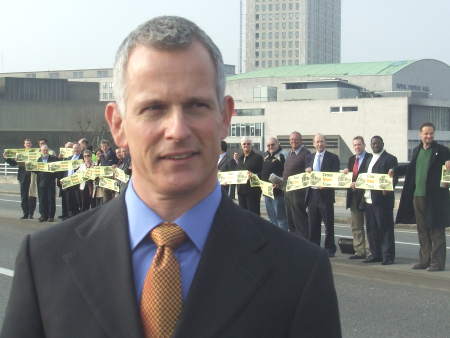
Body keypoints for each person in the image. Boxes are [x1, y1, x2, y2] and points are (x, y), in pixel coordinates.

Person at [2, 16, 341, 338]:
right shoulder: (43, 260)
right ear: (117, 124)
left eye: (196, 106)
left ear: (225, 117)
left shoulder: (299, 271)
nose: (177, 130)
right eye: (154, 108)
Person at [391, 122, 450, 271]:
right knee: (422, 230)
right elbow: (411, 168)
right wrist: (395, 170)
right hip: (417, 196)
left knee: (436, 230)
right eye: (426, 133)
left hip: (435, 198)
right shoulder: (417, 150)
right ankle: (424, 260)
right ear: (420, 135)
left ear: (434, 134)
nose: (428, 136)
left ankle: (437, 263)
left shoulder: (442, 151)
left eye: (431, 133)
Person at [363, 136, 398, 265]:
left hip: (383, 201)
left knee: (385, 229)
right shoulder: (368, 159)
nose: (375, 145)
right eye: (373, 143)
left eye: (377, 143)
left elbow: (394, 178)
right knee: (371, 229)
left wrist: (389, 188)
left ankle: (387, 256)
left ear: (382, 143)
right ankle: (375, 254)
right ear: (370, 145)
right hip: (368, 199)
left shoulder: (390, 159)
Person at [305, 134, 340, 257]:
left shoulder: (333, 157)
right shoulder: (309, 157)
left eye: (322, 141)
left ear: (325, 143)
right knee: (313, 224)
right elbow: (305, 175)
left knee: (328, 225)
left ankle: (330, 249)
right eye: (317, 142)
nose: (319, 144)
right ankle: (314, 248)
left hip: (326, 195)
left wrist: (326, 185)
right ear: (313, 144)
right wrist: (307, 171)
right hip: (312, 195)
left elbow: (335, 176)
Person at [344, 136, 373, 259]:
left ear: (364, 145)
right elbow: (350, 177)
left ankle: (371, 251)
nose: (357, 147)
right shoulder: (351, 159)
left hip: (366, 196)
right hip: (354, 197)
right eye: (355, 145)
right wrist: (345, 174)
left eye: (359, 144)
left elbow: (370, 176)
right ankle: (359, 251)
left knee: (370, 226)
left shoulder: (370, 158)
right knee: (356, 226)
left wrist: (359, 184)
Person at [283, 131, 312, 238]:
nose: (293, 141)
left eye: (295, 139)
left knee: (300, 219)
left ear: (301, 140)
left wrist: (308, 169)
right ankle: (295, 242)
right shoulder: (289, 153)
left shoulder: (306, 153)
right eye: (291, 140)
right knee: (290, 220)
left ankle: (304, 243)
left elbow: (309, 168)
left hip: (298, 193)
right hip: (287, 191)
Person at [2, 138, 37, 219]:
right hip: (23, 177)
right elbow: (13, 163)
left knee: (32, 196)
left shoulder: (35, 153)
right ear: (24, 145)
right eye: (26, 143)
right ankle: (25, 213)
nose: (28, 145)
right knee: (24, 196)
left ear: (31, 145)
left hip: (33, 177)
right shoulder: (20, 153)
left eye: (29, 143)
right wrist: (6, 158)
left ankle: (31, 214)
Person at [260, 137, 288, 230]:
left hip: (278, 193)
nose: (270, 147)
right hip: (267, 192)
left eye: (273, 145)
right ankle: (276, 241)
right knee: (272, 219)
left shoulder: (283, 155)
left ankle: (283, 241)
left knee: (281, 219)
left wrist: (281, 181)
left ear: (278, 144)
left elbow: (287, 173)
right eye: (268, 145)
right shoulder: (265, 156)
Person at [234, 137, 263, 215]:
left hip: (253, 192)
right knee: (243, 216)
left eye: (248, 144)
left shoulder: (258, 158)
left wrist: (254, 175)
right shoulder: (239, 159)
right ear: (241, 146)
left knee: (253, 216)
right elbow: (237, 174)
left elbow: (263, 173)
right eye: (244, 144)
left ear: (251, 145)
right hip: (241, 192)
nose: (246, 145)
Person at [35, 144, 58, 222]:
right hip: (41, 182)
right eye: (43, 150)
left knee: (51, 199)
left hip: (51, 182)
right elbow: (36, 171)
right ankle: (43, 215)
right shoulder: (39, 159)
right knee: (42, 199)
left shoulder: (54, 158)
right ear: (41, 151)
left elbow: (58, 168)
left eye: (46, 150)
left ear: (48, 150)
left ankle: (51, 216)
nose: (45, 151)